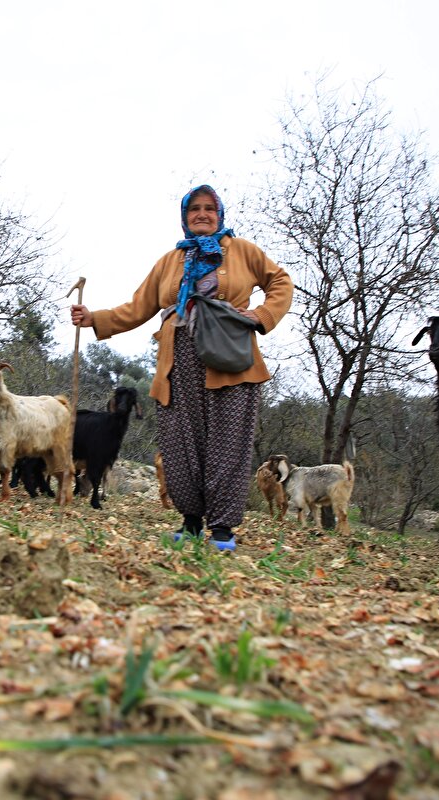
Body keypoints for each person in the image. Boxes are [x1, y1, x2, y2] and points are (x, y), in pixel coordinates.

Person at [70, 185, 293, 551]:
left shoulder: (242, 252)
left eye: (209, 209)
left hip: (231, 360)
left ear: (219, 215)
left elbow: (280, 281)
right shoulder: (170, 261)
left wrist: (261, 314)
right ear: (185, 217)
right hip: (179, 363)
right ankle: (190, 521)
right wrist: (96, 318)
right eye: (195, 210)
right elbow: (138, 307)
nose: (202, 214)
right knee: (181, 445)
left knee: (227, 445)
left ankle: (222, 528)